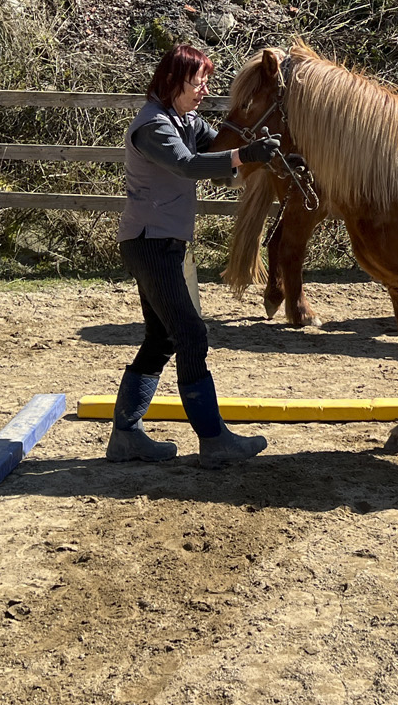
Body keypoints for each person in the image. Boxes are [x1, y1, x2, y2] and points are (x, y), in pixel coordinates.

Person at [108, 43, 283, 467]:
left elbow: (222, 160)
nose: (205, 90)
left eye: (206, 82)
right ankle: (213, 439)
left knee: (162, 338)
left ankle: (126, 436)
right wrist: (246, 155)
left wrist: (268, 157)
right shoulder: (153, 126)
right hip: (149, 243)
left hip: (164, 243)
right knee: (190, 335)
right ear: (174, 81)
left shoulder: (186, 120)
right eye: (198, 82)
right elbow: (188, 165)